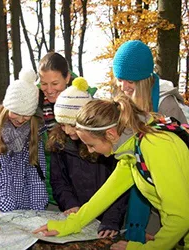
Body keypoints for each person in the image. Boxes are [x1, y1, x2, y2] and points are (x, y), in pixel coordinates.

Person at [34, 95, 189, 250]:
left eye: (91, 145)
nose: (90, 151)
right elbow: (104, 196)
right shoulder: (132, 148)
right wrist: (68, 225)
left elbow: (180, 217)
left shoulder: (155, 146)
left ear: (110, 134)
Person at [112, 39, 188, 242]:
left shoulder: (166, 106)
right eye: (120, 79)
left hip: (167, 198)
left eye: (130, 81)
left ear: (144, 79)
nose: (124, 86)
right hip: (140, 189)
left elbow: (177, 167)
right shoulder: (122, 100)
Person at [48, 77, 128, 238]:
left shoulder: (113, 149)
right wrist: (71, 205)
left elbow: (117, 189)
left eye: (73, 126)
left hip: (107, 218)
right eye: (62, 125)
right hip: (80, 213)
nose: (68, 131)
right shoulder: (59, 143)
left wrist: (111, 220)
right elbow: (58, 181)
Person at [0, 68, 48, 214]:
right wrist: (6, 203)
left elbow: (36, 172)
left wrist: (38, 210)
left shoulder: (34, 131)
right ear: (7, 107)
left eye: (26, 115)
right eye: (16, 113)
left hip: (25, 203)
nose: (21, 119)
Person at [37, 52, 75, 208]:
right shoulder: (33, 104)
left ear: (67, 78)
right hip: (45, 193)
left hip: (76, 192)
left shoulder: (83, 104)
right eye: (44, 84)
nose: (49, 89)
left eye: (55, 83)